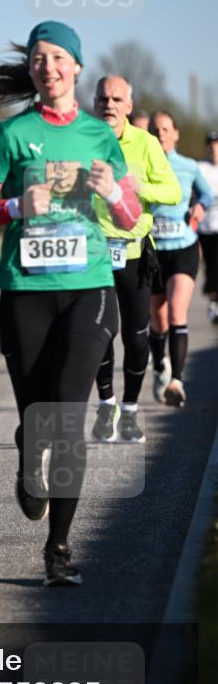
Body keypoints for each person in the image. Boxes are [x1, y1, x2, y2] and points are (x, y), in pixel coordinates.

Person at [0, 21, 141, 587]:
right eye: (40, 58)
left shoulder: (100, 136)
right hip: (25, 293)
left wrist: (112, 192)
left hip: (88, 288)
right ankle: (25, 451)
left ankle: (58, 549)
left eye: (60, 57)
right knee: (37, 418)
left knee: (66, 417)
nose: (49, 67)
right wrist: (15, 206)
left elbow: (132, 218)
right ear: (32, 69)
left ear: (77, 67)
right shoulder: (10, 136)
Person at [91, 76, 181, 443]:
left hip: (133, 253)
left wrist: (138, 187)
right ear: (93, 103)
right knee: (99, 334)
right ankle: (106, 405)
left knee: (137, 336)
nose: (108, 105)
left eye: (116, 99)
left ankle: (129, 410)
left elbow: (173, 191)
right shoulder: (82, 138)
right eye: (102, 99)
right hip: (93, 253)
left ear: (129, 105)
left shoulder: (145, 144)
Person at [148, 111, 213, 406]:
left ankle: (177, 381)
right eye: (154, 129)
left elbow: (207, 194)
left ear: (175, 133)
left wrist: (199, 208)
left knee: (176, 312)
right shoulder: (140, 165)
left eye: (165, 129)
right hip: (151, 250)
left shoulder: (187, 166)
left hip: (183, 247)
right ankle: (160, 365)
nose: (160, 133)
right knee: (157, 318)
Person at [197, 131, 218, 325]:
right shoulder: (200, 168)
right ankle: (213, 300)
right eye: (211, 146)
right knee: (210, 267)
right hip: (205, 228)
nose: (214, 149)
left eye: (217, 145)